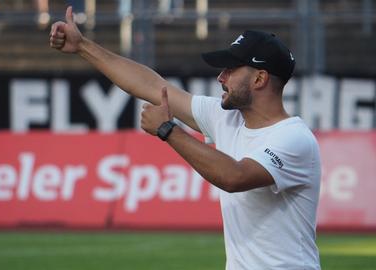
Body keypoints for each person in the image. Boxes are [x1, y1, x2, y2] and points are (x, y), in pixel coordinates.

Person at [50, 6, 321, 270]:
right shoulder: (227, 117)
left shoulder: (294, 139)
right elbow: (153, 86)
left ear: (260, 79)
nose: (220, 77)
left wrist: (169, 130)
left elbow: (235, 177)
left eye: (231, 69)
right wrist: (83, 46)